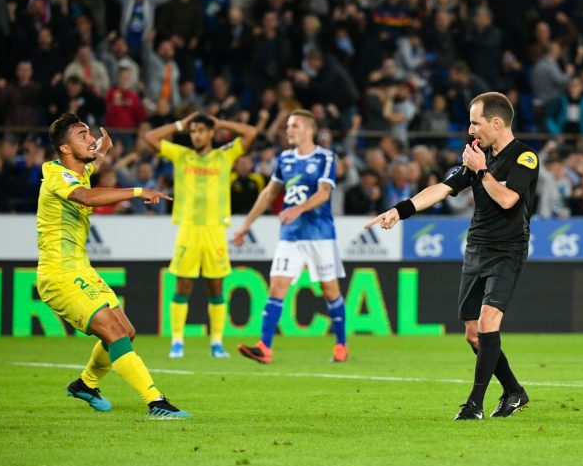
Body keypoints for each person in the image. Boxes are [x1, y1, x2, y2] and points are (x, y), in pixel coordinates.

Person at [365, 92, 538, 420]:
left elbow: (507, 200)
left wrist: (482, 171)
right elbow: (443, 188)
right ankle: (514, 391)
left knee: (489, 322)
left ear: (497, 123)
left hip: (507, 250)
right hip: (477, 248)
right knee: (473, 334)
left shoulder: (524, 158)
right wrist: (400, 211)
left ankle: (474, 404)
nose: (471, 129)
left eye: (477, 122)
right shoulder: (478, 155)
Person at [38, 113, 188, 418]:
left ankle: (85, 384)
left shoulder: (78, 170)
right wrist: (137, 190)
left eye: (89, 133)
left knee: (126, 331)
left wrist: (102, 148)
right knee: (115, 334)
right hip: (59, 274)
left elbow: (92, 167)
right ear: (65, 149)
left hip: (81, 270)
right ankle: (156, 401)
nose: (90, 138)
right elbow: (86, 196)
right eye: (82, 135)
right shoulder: (55, 174)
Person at [232, 110, 349, 364]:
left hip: (320, 234)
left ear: (309, 129)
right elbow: (268, 194)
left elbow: (324, 193)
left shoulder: (325, 157)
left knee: (330, 290)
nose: (289, 130)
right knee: (277, 285)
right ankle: (264, 346)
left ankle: (341, 344)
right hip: (290, 235)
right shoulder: (284, 158)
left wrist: (297, 208)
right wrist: (245, 226)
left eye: (294, 126)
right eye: (288, 126)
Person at [144, 112, 257, 358]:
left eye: (201, 130)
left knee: (216, 286)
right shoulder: (182, 155)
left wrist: (223, 122)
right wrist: (178, 125)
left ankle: (216, 342)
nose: (196, 135)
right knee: (183, 284)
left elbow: (252, 133)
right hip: (189, 228)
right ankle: (177, 341)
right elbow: (149, 137)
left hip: (215, 230)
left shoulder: (224, 155)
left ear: (211, 133)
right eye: (193, 131)